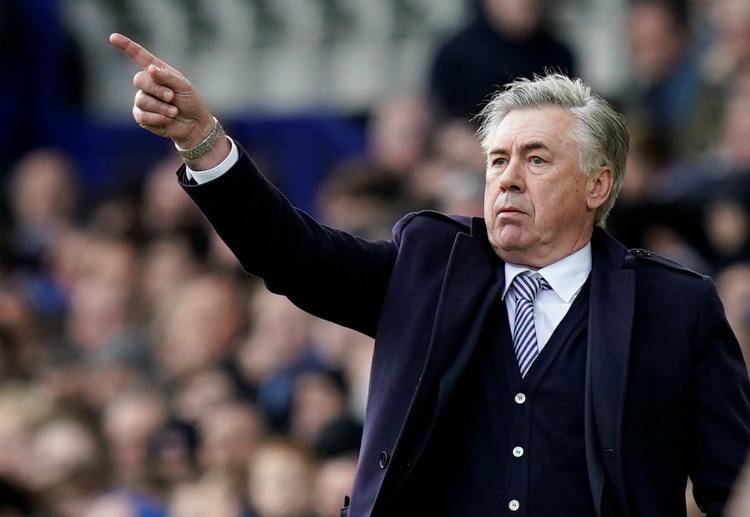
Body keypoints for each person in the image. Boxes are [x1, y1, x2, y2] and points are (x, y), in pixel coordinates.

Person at [110, 33, 750, 517]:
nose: (508, 179)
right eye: (497, 160)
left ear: (598, 184)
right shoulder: (428, 265)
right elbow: (292, 255)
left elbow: (732, 483)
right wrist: (203, 143)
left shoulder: (675, 306)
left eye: (536, 159)